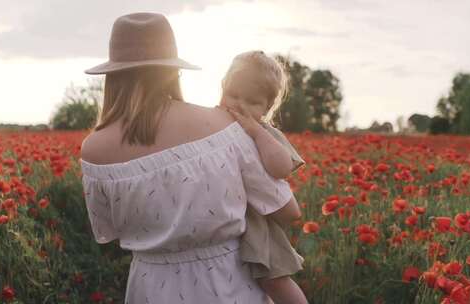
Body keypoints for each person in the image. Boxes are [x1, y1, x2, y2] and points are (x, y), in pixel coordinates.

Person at [78, 12, 304, 304]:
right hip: (228, 284)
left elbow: (107, 231)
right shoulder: (225, 127)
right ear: (174, 72)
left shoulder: (93, 150)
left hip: (150, 288)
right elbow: (287, 211)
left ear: (113, 76)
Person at [217, 50, 308, 304]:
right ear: (222, 87)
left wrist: (256, 132)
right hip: (230, 218)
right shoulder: (213, 123)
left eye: (252, 102)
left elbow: (281, 168)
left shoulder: (265, 133)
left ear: (267, 108)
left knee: (274, 281)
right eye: (232, 95)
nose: (238, 106)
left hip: (259, 224)